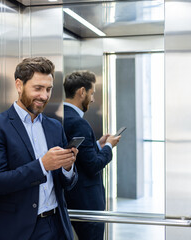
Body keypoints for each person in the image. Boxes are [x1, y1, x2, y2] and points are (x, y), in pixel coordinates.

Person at [0, 57, 79, 240]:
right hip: (17, 230)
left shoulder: (55, 126)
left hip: (57, 226)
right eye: (38, 88)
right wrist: (42, 165)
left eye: (48, 89)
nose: (44, 96)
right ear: (19, 85)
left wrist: (67, 167)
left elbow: (67, 183)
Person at [63, 71, 121, 240]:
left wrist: (97, 144)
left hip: (71, 198)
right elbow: (92, 166)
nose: (93, 98)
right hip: (87, 201)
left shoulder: (61, 118)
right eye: (92, 93)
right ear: (82, 92)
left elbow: (76, 154)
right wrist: (109, 146)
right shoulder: (79, 123)